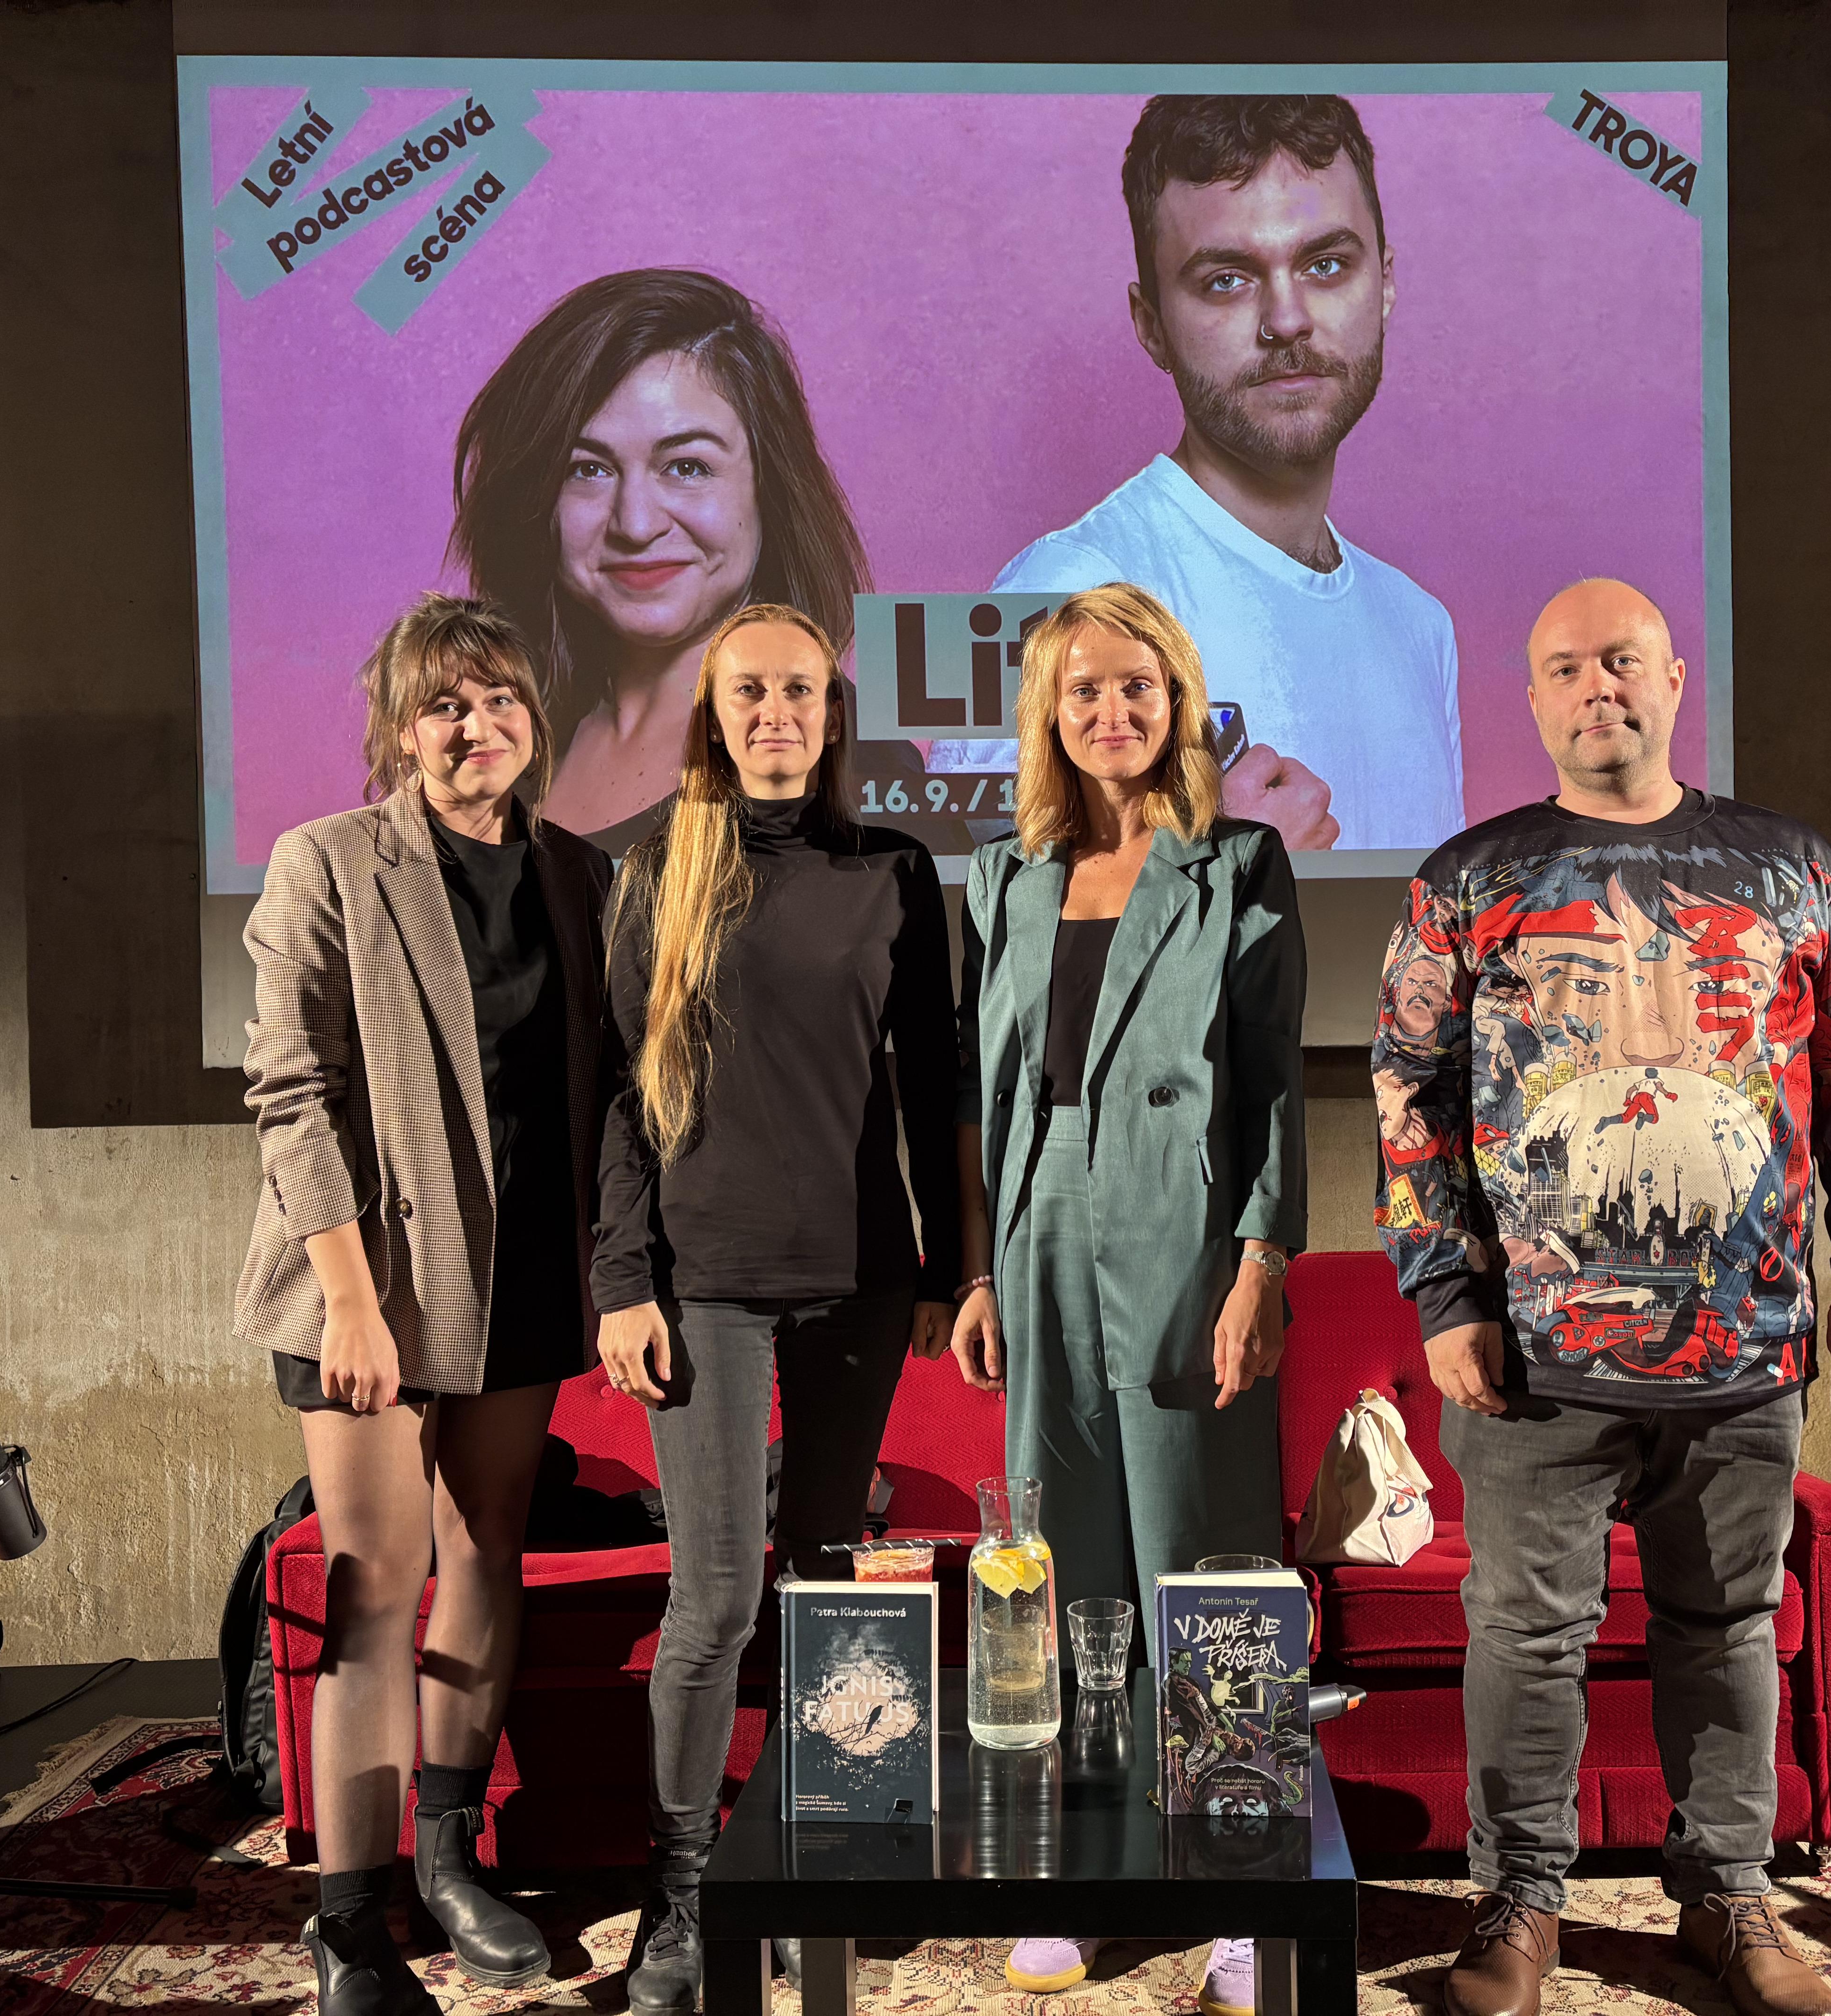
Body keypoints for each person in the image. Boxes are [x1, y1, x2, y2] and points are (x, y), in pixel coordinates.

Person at [1373, 578, 1831, 2016]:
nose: (1596, 686)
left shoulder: (1793, 871)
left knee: (1727, 1624)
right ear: (1531, 698)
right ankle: (1519, 1901)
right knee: (1525, 1635)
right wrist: (1445, 1297)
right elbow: (1410, 1095)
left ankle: (1728, 1894)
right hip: (1532, 1359)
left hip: (1742, 1346)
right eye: (1565, 668)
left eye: (1622, 660)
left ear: (1675, 680)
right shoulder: (1469, 879)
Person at [236, 593, 611, 2014]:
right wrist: (349, 1302)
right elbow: (292, 1092)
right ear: (401, 729)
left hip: (522, 1273)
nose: (476, 727)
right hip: (368, 1282)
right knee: (375, 1588)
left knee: (488, 1548)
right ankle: (351, 1922)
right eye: (445, 705)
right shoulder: (328, 861)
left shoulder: (579, 873)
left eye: (500, 699)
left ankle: (451, 1861)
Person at [592, 602, 961, 2013]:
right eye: (748, 692)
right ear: (714, 712)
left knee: (829, 1579)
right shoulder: (654, 870)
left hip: (859, 1281)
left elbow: (932, 1086)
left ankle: (829, 1852)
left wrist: (948, 1269)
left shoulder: (893, 871)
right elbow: (618, 1100)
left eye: (798, 691)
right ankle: (680, 1895)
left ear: (832, 710)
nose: (774, 715)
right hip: (705, 1289)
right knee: (716, 1600)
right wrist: (622, 1282)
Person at [950, 582, 1305, 2014]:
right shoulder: (1005, 874)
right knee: (1058, 1567)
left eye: (1137, 685)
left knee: (1203, 1565)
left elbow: (1272, 1082)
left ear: (1179, 700)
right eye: (1084, 689)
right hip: (1040, 1223)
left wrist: (1261, 1262)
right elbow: (982, 1098)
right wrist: (979, 1268)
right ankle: (1078, 1872)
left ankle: (1234, 1883)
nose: (1111, 710)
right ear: (1048, 710)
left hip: (1188, 1235)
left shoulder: (1239, 861)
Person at [928, 95, 1462, 855]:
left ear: (1383, 284)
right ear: (1151, 325)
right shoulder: (1046, 594)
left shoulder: (1421, 627)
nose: (1287, 319)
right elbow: (969, 912)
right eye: (1226, 280)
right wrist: (1211, 872)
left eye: (1326, 265)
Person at [450, 266, 955, 854]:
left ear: (769, 490)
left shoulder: (855, 775)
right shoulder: (500, 734)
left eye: (687, 467)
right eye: (588, 469)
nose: (636, 524)